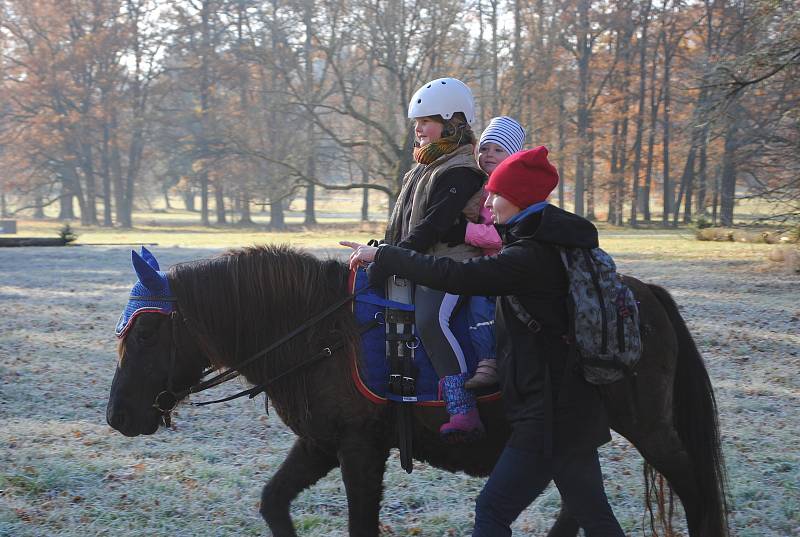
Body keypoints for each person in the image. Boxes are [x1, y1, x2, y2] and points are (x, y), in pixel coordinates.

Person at [341, 147, 625, 537]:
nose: (488, 202)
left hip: (547, 418)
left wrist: (386, 256)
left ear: (520, 198)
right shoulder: (550, 241)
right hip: (571, 412)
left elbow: (455, 276)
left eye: (496, 194)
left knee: (492, 511)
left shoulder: (529, 257)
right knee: (596, 519)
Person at [382, 77, 487, 442]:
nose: (419, 129)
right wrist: (382, 250)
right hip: (420, 261)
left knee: (430, 320)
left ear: (452, 121)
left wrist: (391, 258)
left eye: (426, 120)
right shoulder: (422, 168)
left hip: (452, 265)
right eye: (416, 122)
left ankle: (464, 409)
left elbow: (432, 228)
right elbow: (402, 224)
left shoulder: (460, 171)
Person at [464, 116, 526, 390]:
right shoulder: (478, 184)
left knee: (481, 303)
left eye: (499, 149)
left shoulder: (515, 188)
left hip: (506, 263)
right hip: (485, 262)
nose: (489, 154)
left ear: (512, 155)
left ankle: (489, 361)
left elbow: (502, 235)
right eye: (485, 148)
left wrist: (464, 232)